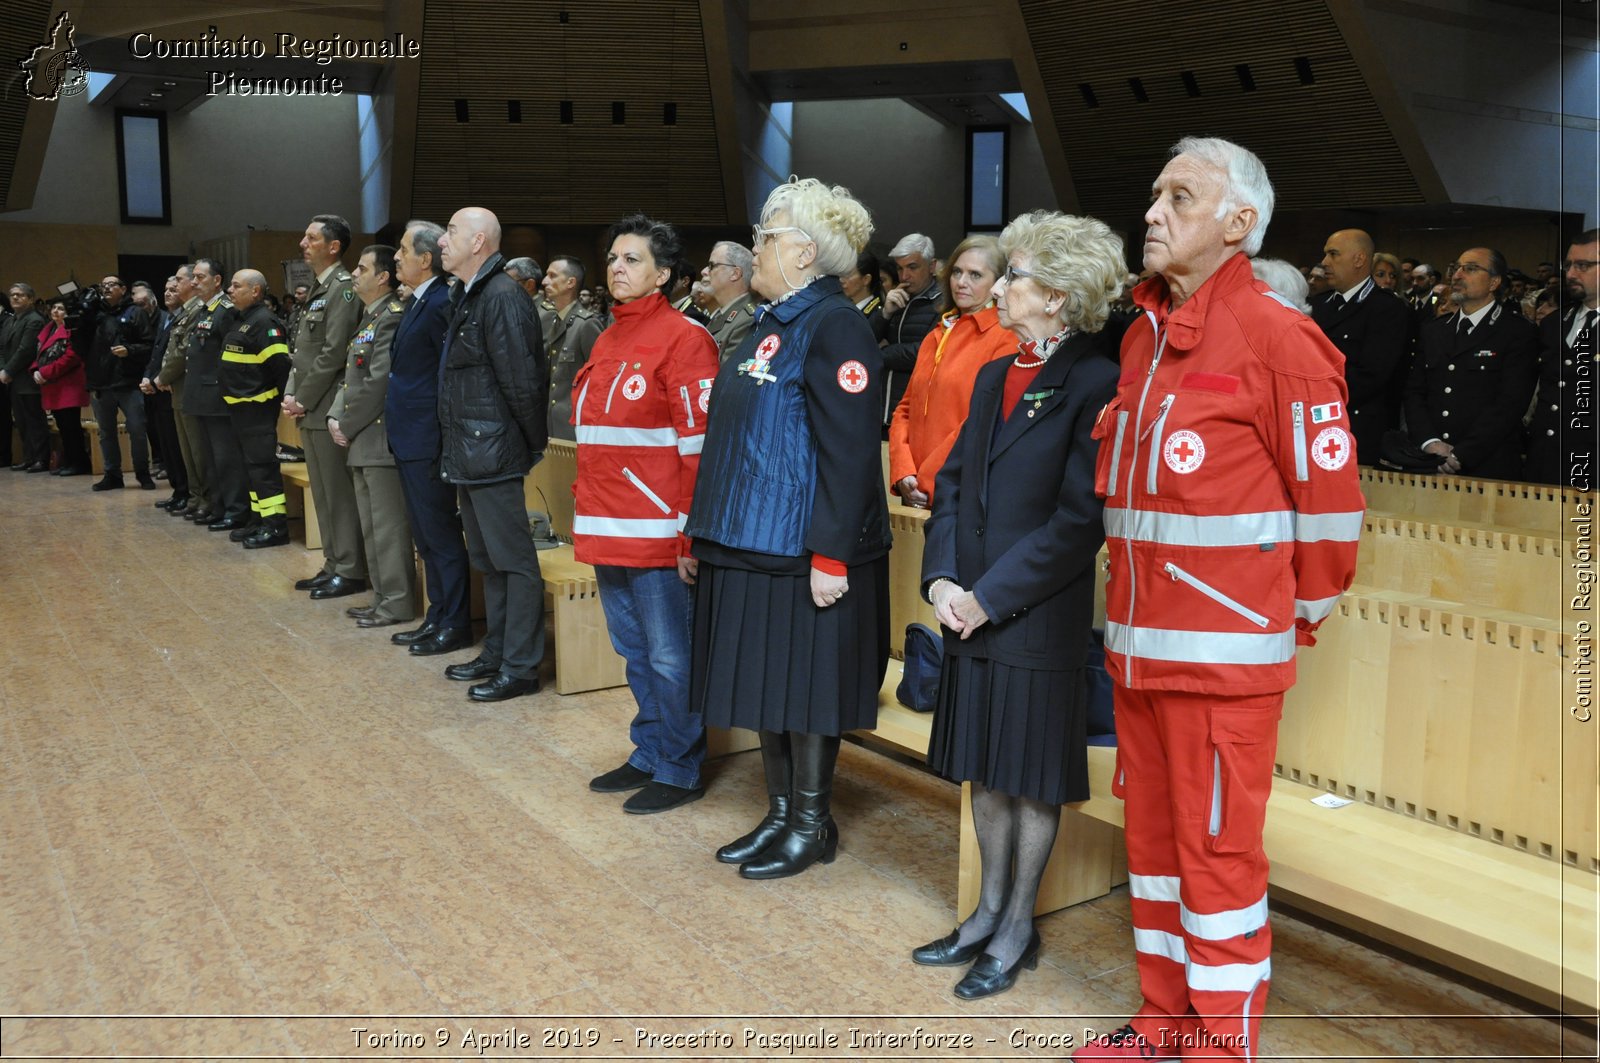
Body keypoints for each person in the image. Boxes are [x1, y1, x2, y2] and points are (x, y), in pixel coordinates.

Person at [1074, 137, 1364, 1062]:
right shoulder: (1141, 334)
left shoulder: (1284, 339)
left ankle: (1218, 1039)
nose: (1153, 212)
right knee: (1152, 851)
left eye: (1180, 197)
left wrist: (1286, 618)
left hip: (1221, 663)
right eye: (1154, 194)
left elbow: (1331, 513)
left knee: (1217, 860)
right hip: (1138, 651)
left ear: (1239, 225)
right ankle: (1165, 1018)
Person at [914, 211, 1121, 1000]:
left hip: (1033, 614)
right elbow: (957, 482)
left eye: (1014, 277)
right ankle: (985, 911)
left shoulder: (1096, 381)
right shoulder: (999, 371)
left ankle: (1016, 926)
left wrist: (988, 597)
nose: (997, 288)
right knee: (985, 772)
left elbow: (1079, 520)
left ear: (1060, 298)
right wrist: (940, 580)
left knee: (1028, 778)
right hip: (966, 603)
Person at [687, 177, 890, 880]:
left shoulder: (835, 325)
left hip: (802, 546)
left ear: (802, 252)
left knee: (803, 690)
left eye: (764, 239)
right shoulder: (773, 322)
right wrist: (702, 536)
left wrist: (832, 553)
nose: (755, 251)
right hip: (751, 539)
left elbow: (852, 450)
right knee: (767, 687)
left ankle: (812, 822)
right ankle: (778, 813)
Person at [575, 214, 721, 814]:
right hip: (608, 526)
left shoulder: (686, 338)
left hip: (659, 532)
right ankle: (651, 748)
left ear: (663, 274)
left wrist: (690, 534)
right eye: (613, 257)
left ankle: (681, 766)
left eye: (632, 259)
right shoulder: (608, 335)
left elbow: (701, 446)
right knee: (634, 652)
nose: (617, 267)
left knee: (669, 655)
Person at [437, 207, 548, 702]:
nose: (442, 240)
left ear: (478, 241)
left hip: (493, 448)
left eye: (452, 232)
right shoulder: (471, 292)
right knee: (489, 559)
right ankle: (499, 650)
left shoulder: (502, 295)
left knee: (515, 561)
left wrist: (527, 443)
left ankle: (522, 666)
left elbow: (523, 381)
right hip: (471, 446)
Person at [388, 220, 474, 657]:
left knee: (440, 533)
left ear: (425, 259)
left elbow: (443, 377)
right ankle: (437, 614)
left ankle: (455, 622)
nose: (396, 257)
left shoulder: (441, 301)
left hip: (428, 436)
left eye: (403, 250)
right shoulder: (419, 302)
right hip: (408, 435)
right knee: (424, 534)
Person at [887, 235, 1016, 508]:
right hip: (915, 489)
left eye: (975, 275)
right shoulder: (938, 332)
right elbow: (905, 409)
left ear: (998, 284)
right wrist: (903, 470)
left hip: (958, 494)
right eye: (957, 271)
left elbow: (979, 424)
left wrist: (925, 479)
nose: (961, 282)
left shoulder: (1006, 339)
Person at [328, 246, 415, 623]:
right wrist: (334, 415)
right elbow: (351, 379)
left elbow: (380, 381)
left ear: (383, 277)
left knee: (387, 527)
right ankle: (382, 598)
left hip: (378, 438)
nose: (353, 274)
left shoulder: (391, 318)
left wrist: (344, 424)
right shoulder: (368, 319)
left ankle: (396, 601)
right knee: (370, 525)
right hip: (361, 438)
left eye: (362, 268)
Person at [283, 214, 368, 599]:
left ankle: (350, 569)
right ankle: (333, 562)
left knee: (337, 493)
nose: (303, 242)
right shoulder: (319, 288)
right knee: (322, 492)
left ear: (334, 247)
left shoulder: (343, 289)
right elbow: (301, 352)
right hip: (309, 406)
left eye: (312, 237)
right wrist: (291, 392)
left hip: (328, 403)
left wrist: (302, 398)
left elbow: (335, 353)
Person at [1403, 248, 1540, 479]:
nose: (1457, 275)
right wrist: (1430, 442)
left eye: (1470, 269)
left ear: (1494, 282)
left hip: (1488, 465)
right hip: (1430, 461)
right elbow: (1415, 391)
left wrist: (1461, 455)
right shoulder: (1435, 329)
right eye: (1456, 268)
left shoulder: (1516, 331)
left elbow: (1510, 403)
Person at [1313, 228, 1412, 466]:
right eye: (1326, 254)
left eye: (1333, 254)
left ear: (1359, 259)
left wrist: (1316, 398)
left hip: (1357, 430)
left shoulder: (1387, 309)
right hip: (1315, 425)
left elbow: (1373, 375)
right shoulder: (1317, 305)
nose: (1325, 262)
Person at [218, 270, 293, 549]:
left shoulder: (265, 322)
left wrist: (283, 400)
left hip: (258, 406)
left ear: (256, 292)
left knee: (263, 468)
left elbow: (280, 367)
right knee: (250, 468)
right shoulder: (242, 319)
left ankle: (275, 527)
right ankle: (259, 519)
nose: (230, 290)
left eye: (236, 286)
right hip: (240, 407)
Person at [183, 260, 254, 532]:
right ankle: (218, 504)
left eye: (200, 277)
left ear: (217, 280)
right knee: (209, 458)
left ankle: (236, 510)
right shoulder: (205, 311)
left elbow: (232, 355)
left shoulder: (225, 311)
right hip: (201, 396)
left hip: (217, 396)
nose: (194, 282)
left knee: (226, 458)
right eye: (194, 277)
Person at [1526, 230, 1597, 486]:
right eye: (1568, 265)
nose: (1571, 274)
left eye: (1584, 265)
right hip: (1546, 459)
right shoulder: (1554, 323)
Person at [83, 275, 155, 490]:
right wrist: (84, 313)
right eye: (103, 285)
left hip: (128, 382)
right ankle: (112, 475)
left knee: (137, 430)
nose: (106, 288)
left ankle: (143, 473)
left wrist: (129, 350)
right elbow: (80, 346)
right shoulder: (94, 314)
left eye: (111, 284)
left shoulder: (136, 312)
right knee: (106, 432)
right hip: (101, 382)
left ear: (123, 289)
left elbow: (149, 345)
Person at [155, 265, 211, 520]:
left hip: (189, 388)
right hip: (177, 389)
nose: (175, 285)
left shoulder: (199, 311)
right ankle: (194, 495)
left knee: (198, 450)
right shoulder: (183, 313)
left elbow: (183, 352)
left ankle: (205, 498)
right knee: (186, 450)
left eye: (179, 280)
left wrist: (163, 376)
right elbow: (170, 350)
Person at [537, 254, 605, 441]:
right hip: (551, 423)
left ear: (570, 283)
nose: (544, 281)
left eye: (552, 276)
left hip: (576, 427)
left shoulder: (586, 325)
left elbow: (600, 380)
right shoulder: (554, 320)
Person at [879, 233, 943, 427]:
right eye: (899, 268)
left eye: (912, 267)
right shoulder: (899, 297)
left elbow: (927, 351)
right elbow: (864, 341)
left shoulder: (943, 302)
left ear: (931, 266)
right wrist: (885, 314)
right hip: (883, 409)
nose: (904, 276)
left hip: (915, 412)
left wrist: (882, 353)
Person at [33, 303, 91, 475]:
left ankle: (79, 463)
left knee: (71, 425)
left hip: (68, 384)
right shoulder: (48, 330)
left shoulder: (72, 330)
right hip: (52, 384)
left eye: (61, 308)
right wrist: (36, 370)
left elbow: (71, 356)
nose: (55, 311)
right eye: (53, 308)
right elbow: (39, 353)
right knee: (62, 426)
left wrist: (44, 372)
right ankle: (69, 461)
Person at [1, 284, 48, 472]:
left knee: (34, 419)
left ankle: (41, 459)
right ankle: (29, 457)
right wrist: (3, 369)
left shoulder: (34, 320)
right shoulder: (9, 321)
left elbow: (26, 350)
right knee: (20, 420)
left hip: (27, 378)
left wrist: (8, 371)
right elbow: (2, 349)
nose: (15, 298)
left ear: (30, 299)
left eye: (20, 295)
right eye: (12, 295)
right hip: (12, 378)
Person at [700, 241, 758, 363]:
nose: (704, 271)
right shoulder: (720, 314)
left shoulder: (747, 320)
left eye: (712, 265)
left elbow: (726, 376)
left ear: (735, 274)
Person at [841, 249, 886, 341]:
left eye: (848, 275)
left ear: (866, 279)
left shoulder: (877, 313)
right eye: (841, 274)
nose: (841, 280)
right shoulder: (844, 306)